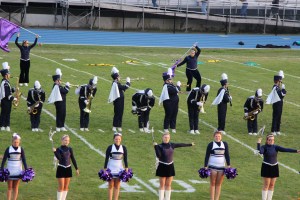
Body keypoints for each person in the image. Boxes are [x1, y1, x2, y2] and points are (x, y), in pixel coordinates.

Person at [257, 134, 300, 200]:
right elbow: (260, 152)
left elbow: (285, 149)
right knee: (266, 185)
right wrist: (258, 144)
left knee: (272, 185)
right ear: (267, 140)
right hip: (266, 167)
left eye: (272, 140)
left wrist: (296, 151)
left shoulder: (275, 147)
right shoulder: (264, 147)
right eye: (270, 140)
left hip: (274, 167)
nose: (271, 141)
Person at [153, 132, 195, 200]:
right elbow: (159, 155)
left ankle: (167, 198)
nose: (166, 139)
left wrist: (190, 144)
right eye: (165, 137)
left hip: (170, 166)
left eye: (168, 137)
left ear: (169, 138)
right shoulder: (159, 146)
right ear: (162, 138)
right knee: (162, 184)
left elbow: (181, 144)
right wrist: (155, 147)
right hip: (162, 166)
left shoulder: (172, 145)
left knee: (168, 184)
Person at [204, 131, 230, 200]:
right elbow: (207, 156)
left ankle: (217, 198)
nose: (217, 138)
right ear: (214, 137)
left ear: (221, 137)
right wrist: (205, 166)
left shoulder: (224, 144)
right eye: (216, 136)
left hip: (221, 167)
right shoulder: (211, 144)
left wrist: (229, 165)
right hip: (212, 166)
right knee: (213, 183)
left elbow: (227, 155)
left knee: (218, 184)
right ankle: (212, 199)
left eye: (219, 136)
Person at [1, 133, 28, 200]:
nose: (16, 143)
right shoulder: (8, 149)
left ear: (19, 142)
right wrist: (1, 168)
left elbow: (24, 159)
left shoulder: (21, 149)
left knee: (15, 187)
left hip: (18, 170)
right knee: (9, 187)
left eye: (17, 142)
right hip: (10, 170)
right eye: (15, 142)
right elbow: (4, 159)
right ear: (12, 142)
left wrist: (26, 168)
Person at [53, 134, 79, 200]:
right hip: (61, 168)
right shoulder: (58, 149)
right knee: (61, 187)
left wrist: (76, 168)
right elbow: (60, 159)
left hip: (68, 168)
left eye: (68, 140)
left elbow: (73, 158)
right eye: (65, 140)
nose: (67, 142)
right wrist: (55, 152)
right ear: (62, 140)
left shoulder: (70, 149)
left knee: (66, 187)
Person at [104, 133, 128, 200]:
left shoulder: (123, 148)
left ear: (121, 139)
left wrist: (126, 167)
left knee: (117, 185)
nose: (117, 140)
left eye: (119, 139)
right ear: (114, 139)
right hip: (111, 168)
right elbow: (106, 158)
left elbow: (125, 159)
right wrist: (105, 168)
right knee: (111, 185)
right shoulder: (110, 147)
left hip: (119, 168)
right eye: (116, 139)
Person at [108, 67, 130, 132]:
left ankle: (119, 125)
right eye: (119, 76)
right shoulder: (115, 84)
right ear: (116, 78)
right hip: (118, 100)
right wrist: (128, 82)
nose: (120, 77)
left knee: (121, 113)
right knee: (117, 113)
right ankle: (114, 126)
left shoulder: (117, 83)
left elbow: (122, 87)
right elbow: (125, 87)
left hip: (121, 100)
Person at [159, 68, 181, 133]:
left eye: (171, 79)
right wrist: (178, 86)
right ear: (166, 80)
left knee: (174, 114)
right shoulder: (166, 86)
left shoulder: (170, 85)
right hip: (169, 103)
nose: (171, 80)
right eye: (169, 79)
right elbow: (175, 90)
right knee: (168, 115)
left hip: (174, 102)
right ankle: (166, 127)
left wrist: (176, 86)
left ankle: (173, 127)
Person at [266, 70, 286, 136]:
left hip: (280, 103)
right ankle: (273, 130)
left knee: (279, 117)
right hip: (276, 104)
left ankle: (277, 129)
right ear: (277, 81)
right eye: (280, 81)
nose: (280, 82)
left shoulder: (277, 87)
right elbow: (282, 94)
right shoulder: (275, 87)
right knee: (275, 117)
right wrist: (283, 89)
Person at [0, 66, 17, 132]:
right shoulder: (5, 83)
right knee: (4, 113)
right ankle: (2, 126)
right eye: (8, 74)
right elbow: (7, 94)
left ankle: (7, 125)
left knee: (7, 113)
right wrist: (13, 98)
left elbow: (8, 91)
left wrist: (13, 89)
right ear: (6, 75)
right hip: (5, 101)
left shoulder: (6, 82)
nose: (10, 75)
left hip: (7, 101)